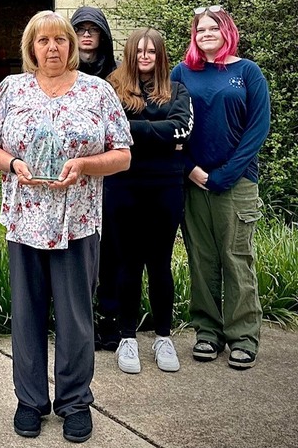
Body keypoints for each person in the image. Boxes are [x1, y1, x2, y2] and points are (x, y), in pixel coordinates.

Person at [0, 10, 131, 443]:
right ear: (31, 47)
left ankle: (75, 402)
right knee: (26, 317)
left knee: (76, 318)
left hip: (76, 222)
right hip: (25, 221)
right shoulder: (12, 88)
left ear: (72, 47)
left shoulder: (97, 91)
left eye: (60, 40)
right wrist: (11, 163)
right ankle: (29, 401)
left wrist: (85, 164)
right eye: (43, 41)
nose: (52, 48)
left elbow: (122, 154)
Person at [171, 6, 270, 370]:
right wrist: (191, 169)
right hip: (194, 182)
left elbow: (257, 129)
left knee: (237, 258)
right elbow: (172, 124)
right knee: (203, 260)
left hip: (238, 182)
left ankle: (243, 336)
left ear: (227, 31)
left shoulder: (247, 73)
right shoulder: (182, 73)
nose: (206, 33)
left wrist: (226, 174)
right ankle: (208, 332)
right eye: (200, 29)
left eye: (213, 28)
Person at [106, 28, 193, 374]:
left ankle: (163, 336)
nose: (145, 57)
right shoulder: (113, 88)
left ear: (160, 56)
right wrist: (159, 130)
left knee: (160, 263)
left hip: (166, 186)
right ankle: (127, 337)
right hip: (123, 185)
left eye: (151, 52)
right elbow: (111, 131)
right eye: (139, 51)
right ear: (130, 54)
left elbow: (183, 130)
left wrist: (135, 128)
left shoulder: (176, 89)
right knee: (127, 263)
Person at [71, 5, 120, 350]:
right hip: (74, 182)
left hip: (112, 176)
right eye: (80, 29)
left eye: (93, 29)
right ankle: (77, 319)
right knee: (79, 252)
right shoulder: (64, 75)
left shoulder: (117, 77)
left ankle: (109, 317)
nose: (87, 35)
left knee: (112, 249)